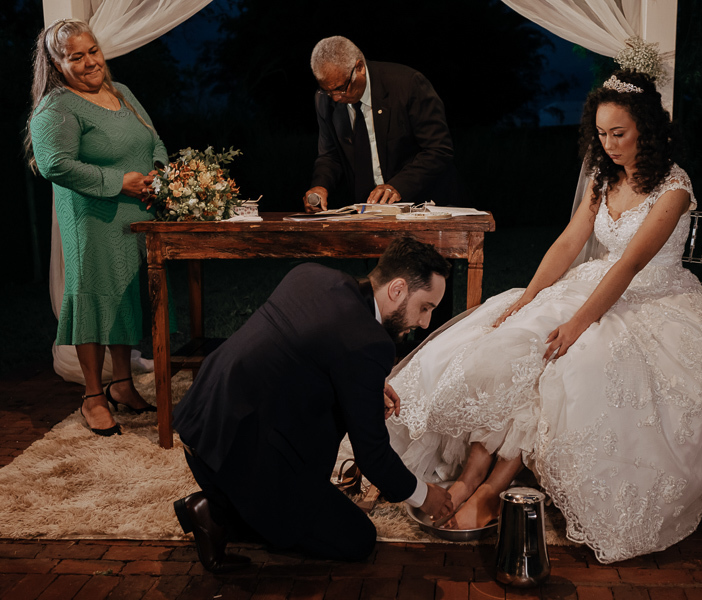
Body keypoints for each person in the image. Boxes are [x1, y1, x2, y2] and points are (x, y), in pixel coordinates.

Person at [386, 70, 702, 564]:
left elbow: (630, 265)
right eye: (600, 134)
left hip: (648, 301)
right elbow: (569, 242)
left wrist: (579, 324)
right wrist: (529, 297)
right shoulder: (603, 177)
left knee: (561, 362)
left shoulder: (673, 189)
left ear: (648, 128)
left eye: (618, 133)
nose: (608, 144)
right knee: (514, 341)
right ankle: (471, 476)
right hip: (591, 283)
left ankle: (492, 489)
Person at [171, 237, 455, 572]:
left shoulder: (312, 275)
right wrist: (424, 495)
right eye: (425, 307)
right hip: (239, 453)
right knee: (357, 538)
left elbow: (303, 350)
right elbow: (373, 456)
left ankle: (225, 502)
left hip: (200, 424)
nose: (424, 323)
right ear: (397, 289)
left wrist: (363, 385)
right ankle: (213, 511)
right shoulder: (370, 343)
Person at [26, 19, 166, 436]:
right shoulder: (57, 107)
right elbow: (54, 164)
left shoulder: (121, 92)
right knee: (95, 297)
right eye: (76, 57)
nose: (90, 62)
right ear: (56, 62)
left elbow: (153, 139)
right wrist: (116, 181)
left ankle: (122, 384)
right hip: (92, 216)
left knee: (126, 296)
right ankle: (92, 395)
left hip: (136, 211)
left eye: (93, 51)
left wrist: (157, 172)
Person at [302, 36, 463, 211]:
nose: (336, 98)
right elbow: (330, 155)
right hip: (366, 211)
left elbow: (439, 150)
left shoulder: (408, 85)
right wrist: (320, 185)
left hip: (423, 205)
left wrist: (397, 186)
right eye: (328, 91)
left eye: (341, 88)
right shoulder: (324, 101)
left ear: (359, 68)